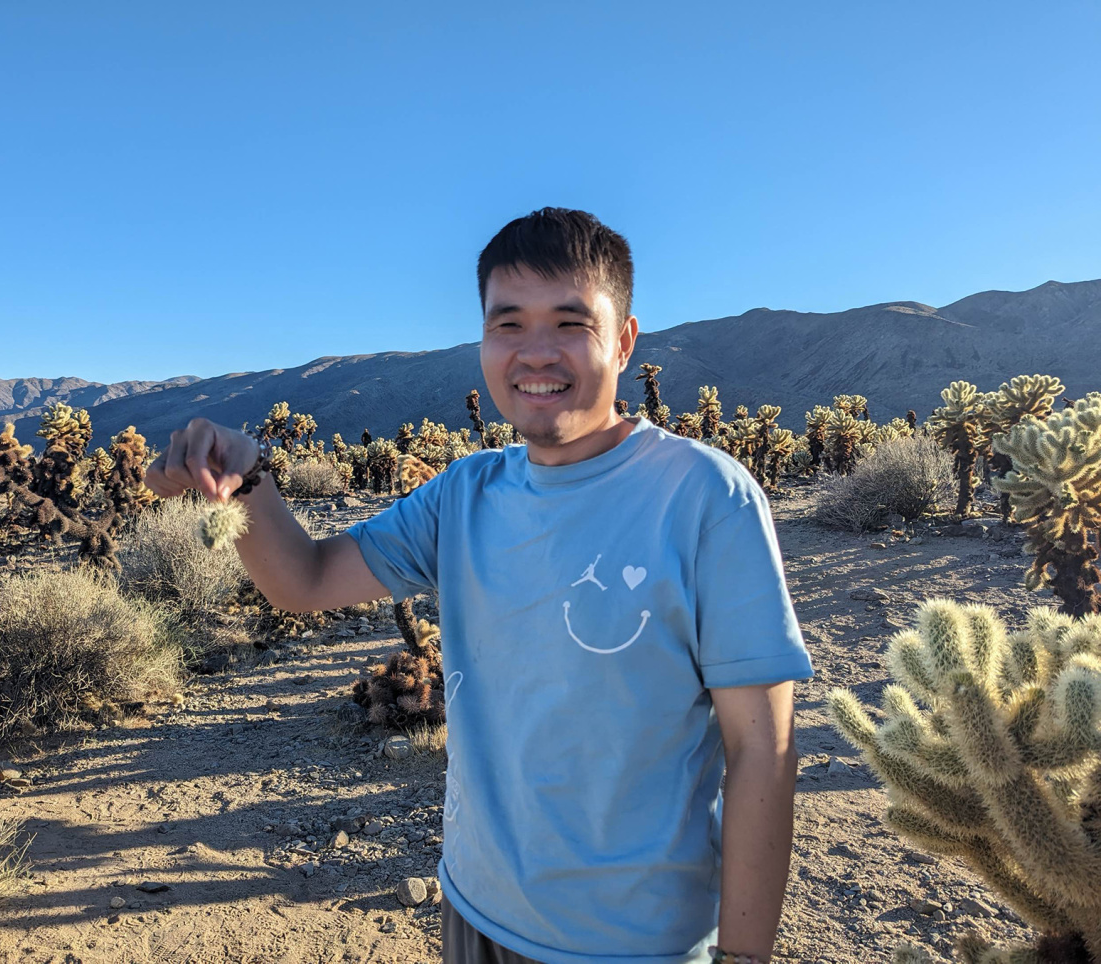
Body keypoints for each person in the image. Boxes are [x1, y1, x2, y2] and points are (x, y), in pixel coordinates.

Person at [145, 207, 813, 964]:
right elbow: (306, 580)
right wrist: (246, 479)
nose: (535, 353)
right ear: (483, 342)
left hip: (636, 944)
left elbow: (764, 746)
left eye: (570, 323)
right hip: (475, 909)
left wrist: (746, 958)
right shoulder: (462, 494)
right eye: (508, 325)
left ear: (624, 342)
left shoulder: (704, 497)